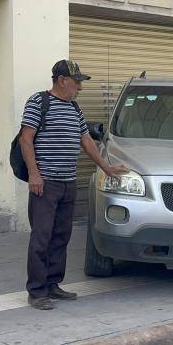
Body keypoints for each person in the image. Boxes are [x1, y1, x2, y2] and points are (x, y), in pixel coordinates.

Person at [19, 59, 128, 310]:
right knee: (41, 237)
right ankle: (36, 291)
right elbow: (26, 140)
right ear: (62, 80)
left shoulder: (74, 108)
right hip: (45, 183)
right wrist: (34, 174)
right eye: (77, 81)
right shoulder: (38, 102)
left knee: (61, 236)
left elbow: (87, 141)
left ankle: (53, 284)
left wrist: (106, 167)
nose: (80, 87)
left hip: (68, 182)